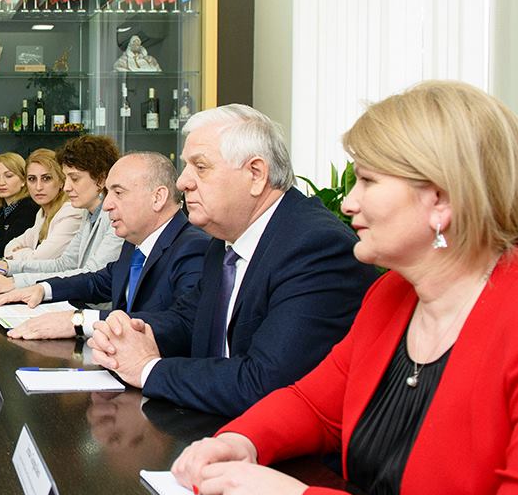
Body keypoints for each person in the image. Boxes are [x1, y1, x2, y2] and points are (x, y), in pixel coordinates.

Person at [170, 83, 518, 495]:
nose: (349, 202)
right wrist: (239, 440)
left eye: (368, 180)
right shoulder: (392, 295)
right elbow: (314, 405)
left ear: (441, 199)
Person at [88, 104, 378, 416]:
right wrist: (129, 331)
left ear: (256, 174)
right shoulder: (224, 240)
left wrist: (147, 369)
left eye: (200, 167)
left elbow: (266, 383)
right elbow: (188, 319)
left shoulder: (315, 247)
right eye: (186, 167)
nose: (182, 182)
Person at [3, 153, 209, 340]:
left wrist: (80, 321)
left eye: (118, 192)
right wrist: (43, 289)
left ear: (158, 197)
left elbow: (181, 323)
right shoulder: (134, 241)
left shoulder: (193, 248)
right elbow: (100, 281)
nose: (107, 204)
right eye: (108, 192)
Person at [0, 135, 125, 295]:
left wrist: (15, 282)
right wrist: (8, 267)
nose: (66, 187)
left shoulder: (113, 218)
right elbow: (64, 264)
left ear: (100, 180)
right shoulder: (88, 213)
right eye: (66, 179)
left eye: (74, 179)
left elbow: (92, 275)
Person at [0, 148, 83, 281]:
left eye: (46, 178)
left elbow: (39, 259)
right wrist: (27, 253)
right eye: (32, 179)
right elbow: (8, 248)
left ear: (61, 181)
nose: (38, 187)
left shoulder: (70, 211)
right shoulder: (42, 213)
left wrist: (22, 253)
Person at [0, 152, 38, 258]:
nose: (1, 182)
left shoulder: (29, 208)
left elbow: (3, 248)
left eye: (8, 176)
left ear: (23, 180)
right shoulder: (5, 209)